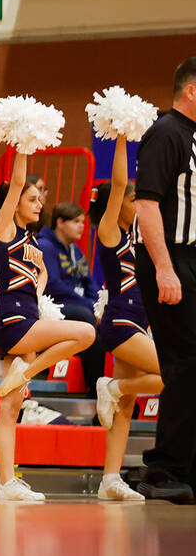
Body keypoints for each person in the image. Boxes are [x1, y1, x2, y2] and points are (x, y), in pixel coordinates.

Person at [0, 150, 95, 501]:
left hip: (28, 318)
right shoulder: (5, 230)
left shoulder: (32, 240)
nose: (39, 204)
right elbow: (17, 180)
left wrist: (43, 277)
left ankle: (7, 484)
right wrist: (22, 144)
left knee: (10, 408)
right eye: (32, 199)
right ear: (14, 204)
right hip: (13, 321)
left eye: (39, 200)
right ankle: (27, 373)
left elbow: (39, 282)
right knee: (86, 332)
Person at [133, 58, 196, 503]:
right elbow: (147, 204)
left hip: (191, 259)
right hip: (171, 261)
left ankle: (185, 467)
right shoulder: (167, 132)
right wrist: (165, 268)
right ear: (191, 91)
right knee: (185, 364)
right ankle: (163, 469)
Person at [88, 133, 163, 500]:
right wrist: (121, 138)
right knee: (177, 375)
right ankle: (112, 385)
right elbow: (119, 183)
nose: (140, 202)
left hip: (140, 325)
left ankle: (110, 479)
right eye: (135, 199)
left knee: (126, 406)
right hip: (120, 323)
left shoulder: (144, 236)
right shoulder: (110, 232)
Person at [38, 200, 105, 397]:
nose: (81, 226)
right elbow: (53, 285)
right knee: (85, 316)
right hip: (53, 305)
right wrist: (88, 307)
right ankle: (95, 389)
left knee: (100, 322)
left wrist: (96, 306)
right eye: (76, 222)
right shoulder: (45, 246)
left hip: (78, 306)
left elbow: (89, 283)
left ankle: (99, 386)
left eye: (83, 222)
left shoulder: (75, 250)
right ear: (60, 222)